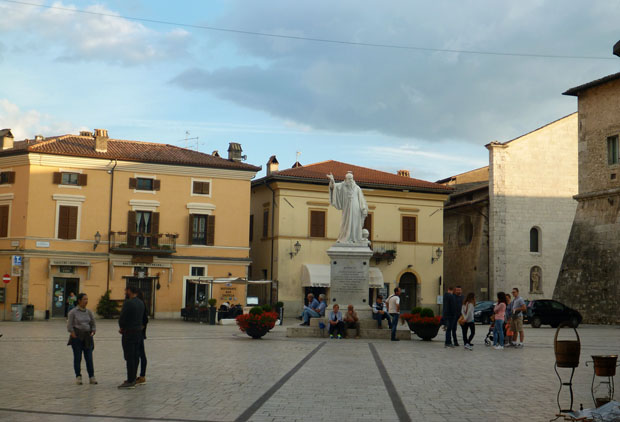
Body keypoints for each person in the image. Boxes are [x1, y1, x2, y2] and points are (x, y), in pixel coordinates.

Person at [327, 172, 369, 244]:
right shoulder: (342, 186)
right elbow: (333, 187)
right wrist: (332, 180)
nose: (350, 180)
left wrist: (363, 208)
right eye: (349, 179)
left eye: (351, 178)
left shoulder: (357, 188)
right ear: (346, 179)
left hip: (356, 208)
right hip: (347, 209)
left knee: (355, 222)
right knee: (345, 222)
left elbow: (361, 198)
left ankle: (355, 238)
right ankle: (345, 238)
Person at [118, 285, 146, 389]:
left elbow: (122, 318)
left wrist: (121, 327)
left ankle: (130, 380)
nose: (125, 292)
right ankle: (133, 378)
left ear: (129, 291)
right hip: (138, 332)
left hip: (129, 333)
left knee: (129, 356)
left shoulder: (128, 303)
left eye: (126, 290)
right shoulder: (141, 303)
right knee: (135, 356)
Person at [67, 293, 97, 385]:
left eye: (87, 299)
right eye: (84, 299)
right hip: (77, 336)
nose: (86, 301)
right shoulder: (73, 312)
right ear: (79, 300)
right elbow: (69, 325)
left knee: (89, 357)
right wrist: (73, 334)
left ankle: (91, 376)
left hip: (87, 337)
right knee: (77, 357)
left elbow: (93, 323)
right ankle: (78, 376)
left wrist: (93, 331)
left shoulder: (89, 312)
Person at [135, 289, 149, 386]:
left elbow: (145, 319)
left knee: (140, 355)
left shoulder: (140, 305)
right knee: (140, 354)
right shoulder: (142, 304)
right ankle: (141, 375)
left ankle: (142, 375)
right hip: (140, 333)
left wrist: (141, 327)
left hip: (138, 333)